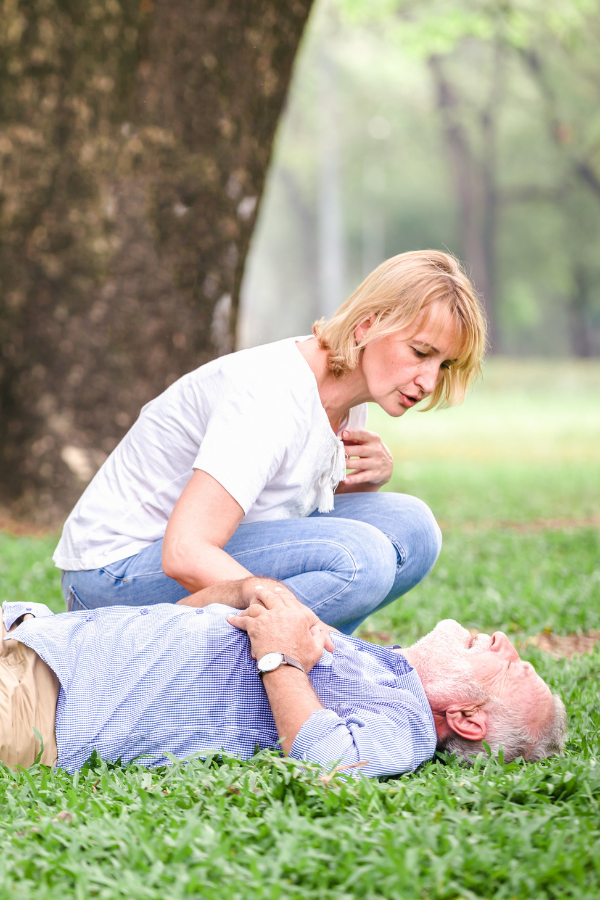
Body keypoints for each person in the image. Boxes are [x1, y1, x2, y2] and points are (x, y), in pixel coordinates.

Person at [54, 250, 486, 633]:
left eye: (444, 365)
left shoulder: (351, 395)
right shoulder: (272, 394)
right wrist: (283, 615)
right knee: (362, 559)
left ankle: (297, 665)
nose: (429, 381)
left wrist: (356, 483)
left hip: (184, 552)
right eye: (420, 352)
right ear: (367, 326)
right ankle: (281, 664)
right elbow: (185, 551)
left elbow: (275, 503)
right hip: (108, 579)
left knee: (414, 527)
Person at [1, 583, 566, 775]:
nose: (503, 642)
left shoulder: (409, 726)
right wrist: (251, 589)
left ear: (466, 719)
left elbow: (329, 760)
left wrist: (280, 656)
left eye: (511, 666)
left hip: (43, 702)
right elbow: (187, 611)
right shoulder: (383, 667)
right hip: (41, 632)